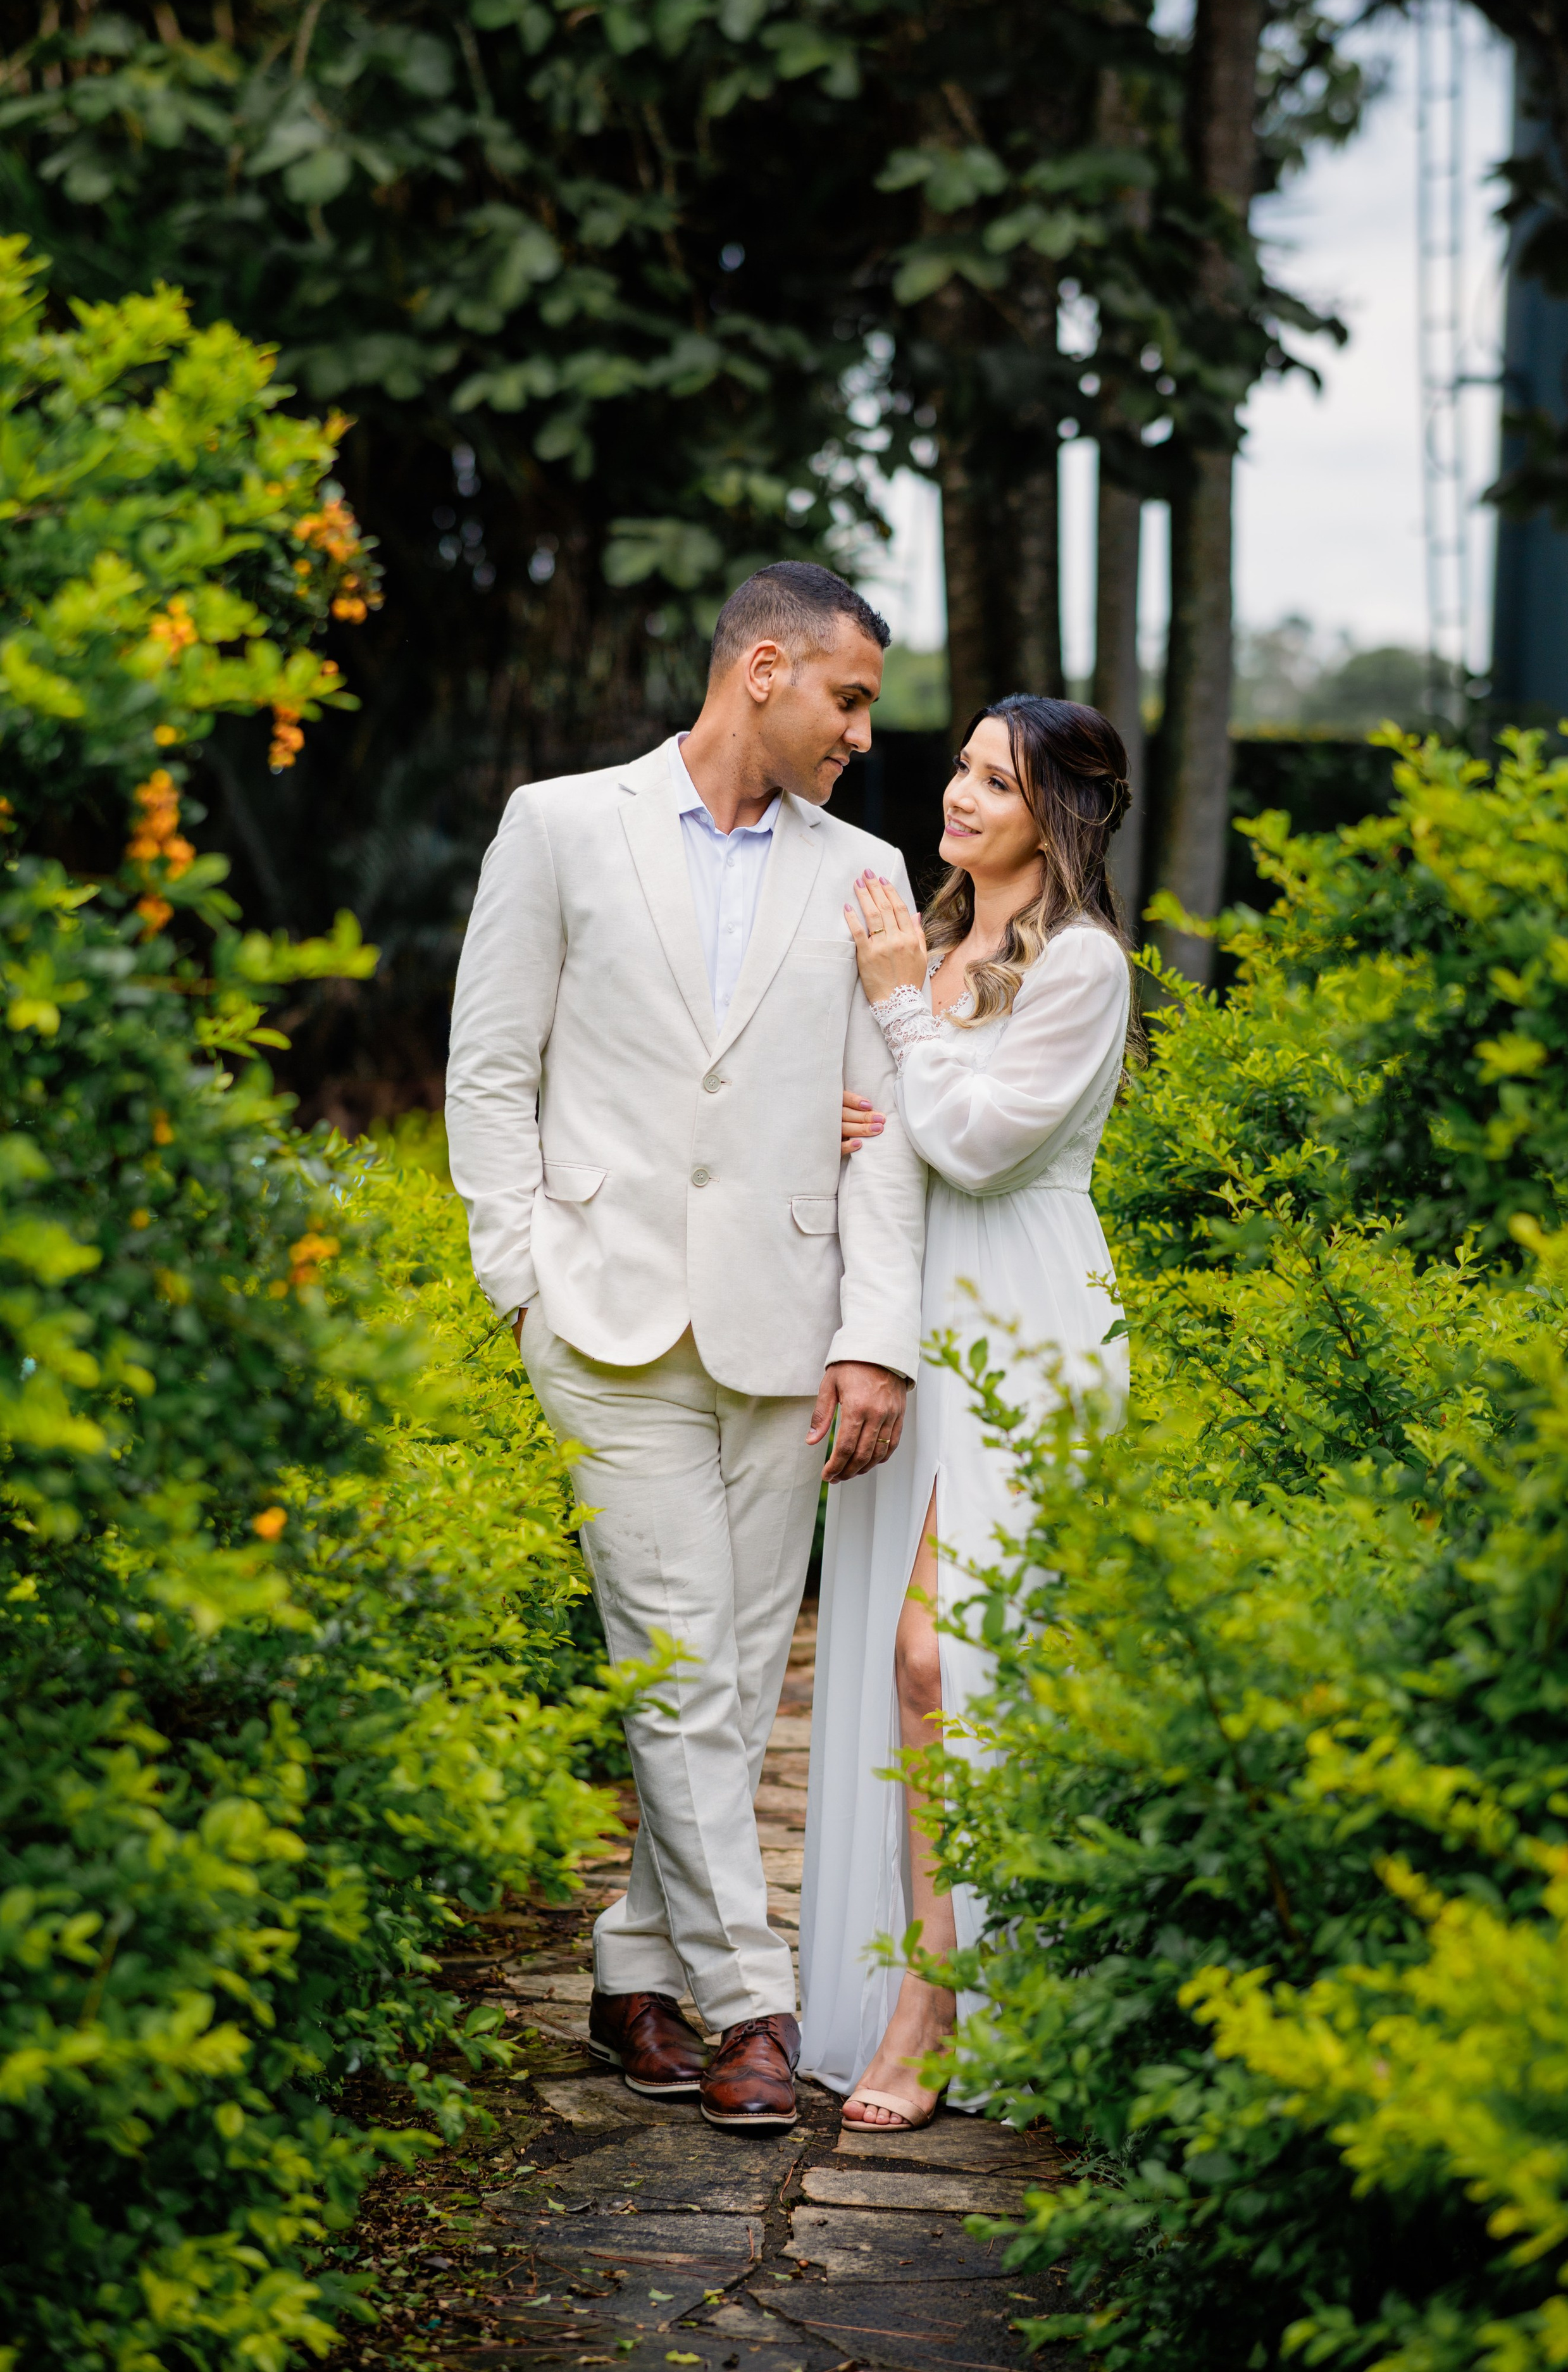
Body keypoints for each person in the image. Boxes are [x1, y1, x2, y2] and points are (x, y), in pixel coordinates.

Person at [444, 563, 926, 2133]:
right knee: (672, 1654)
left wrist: (869, 1339)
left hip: (785, 1333)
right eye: (848, 697)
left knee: (717, 1675)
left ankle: (628, 1973)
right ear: (766, 669)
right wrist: (519, 1277)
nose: (863, 731)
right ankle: (752, 2000)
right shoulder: (560, 824)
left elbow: (881, 1138)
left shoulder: (865, 870)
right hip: (604, 1314)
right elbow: (490, 1069)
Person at [798, 694, 1135, 2131]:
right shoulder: (929, 948)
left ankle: (939, 2006)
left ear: (1056, 811)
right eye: (961, 767)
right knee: (908, 1664)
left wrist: (894, 1029)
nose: (957, 794)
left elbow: (986, 1150)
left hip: (1025, 1318)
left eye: (995, 781)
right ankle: (921, 1982)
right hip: (910, 1319)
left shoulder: (1080, 967)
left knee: (943, 1660)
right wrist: (846, 1120)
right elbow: (907, 1130)